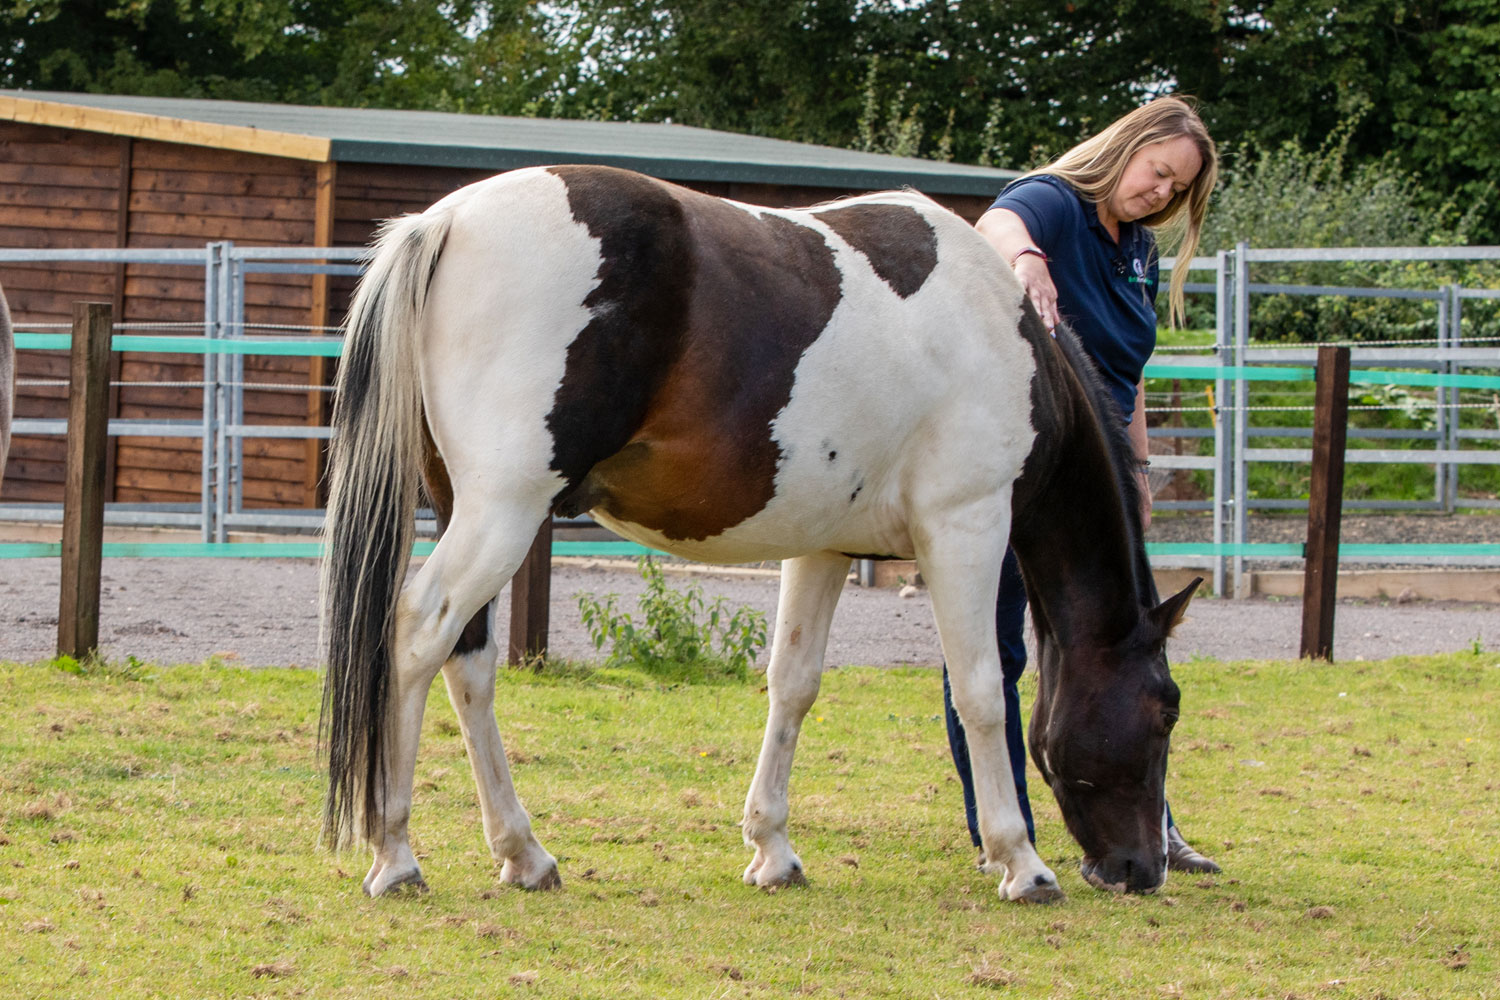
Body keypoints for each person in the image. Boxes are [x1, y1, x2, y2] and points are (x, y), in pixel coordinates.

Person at [943, 95, 1222, 874]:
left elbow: (1121, 379)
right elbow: (1000, 222)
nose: (1161, 192)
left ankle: (1152, 824)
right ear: (1127, 147)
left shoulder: (1136, 248)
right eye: (1158, 171)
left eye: (1178, 188)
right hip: (1017, 468)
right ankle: (1003, 826)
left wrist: (1136, 477)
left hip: (1089, 484)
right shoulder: (1056, 203)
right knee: (991, 643)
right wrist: (1027, 258)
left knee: (1120, 651)